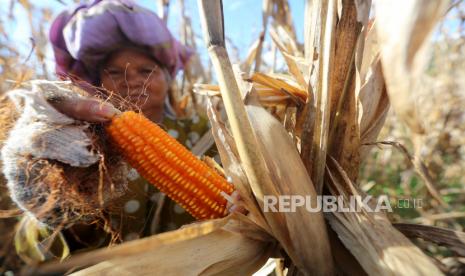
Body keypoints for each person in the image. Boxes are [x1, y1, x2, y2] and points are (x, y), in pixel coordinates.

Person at [0, 0, 240, 268]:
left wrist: (251, 201)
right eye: (114, 72)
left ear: (167, 76)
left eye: (146, 70)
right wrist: (49, 201)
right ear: (98, 85)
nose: (132, 79)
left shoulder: (206, 131)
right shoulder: (79, 146)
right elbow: (36, 250)